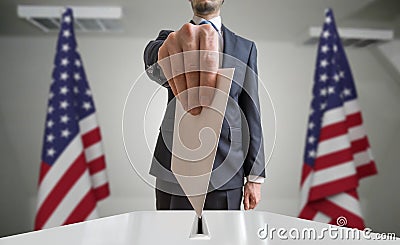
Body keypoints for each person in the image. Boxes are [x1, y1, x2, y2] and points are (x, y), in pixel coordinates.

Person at [143, 0, 265, 211]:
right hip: (174, 166)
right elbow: (153, 60)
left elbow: (251, 111)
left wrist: (255, 176)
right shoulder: (169, 40)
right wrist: (168, 48)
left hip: (227, 168)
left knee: (223, 239)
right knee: (170, 237)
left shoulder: (245, 48)